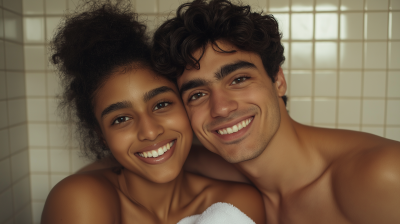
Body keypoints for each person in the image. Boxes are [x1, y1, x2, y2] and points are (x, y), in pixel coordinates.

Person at [151, 0, 400, 223]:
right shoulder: (213, 171)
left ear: (278, 80)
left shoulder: (381, 174)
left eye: (238, 79)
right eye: (197, 95)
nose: (221, 107)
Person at [40, 1, 265, 223]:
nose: (149, 131)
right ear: (102, 136)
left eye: (161, 105)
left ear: (187, 106)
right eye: (121, 119)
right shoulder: (78, 197)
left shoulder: (236, 203)